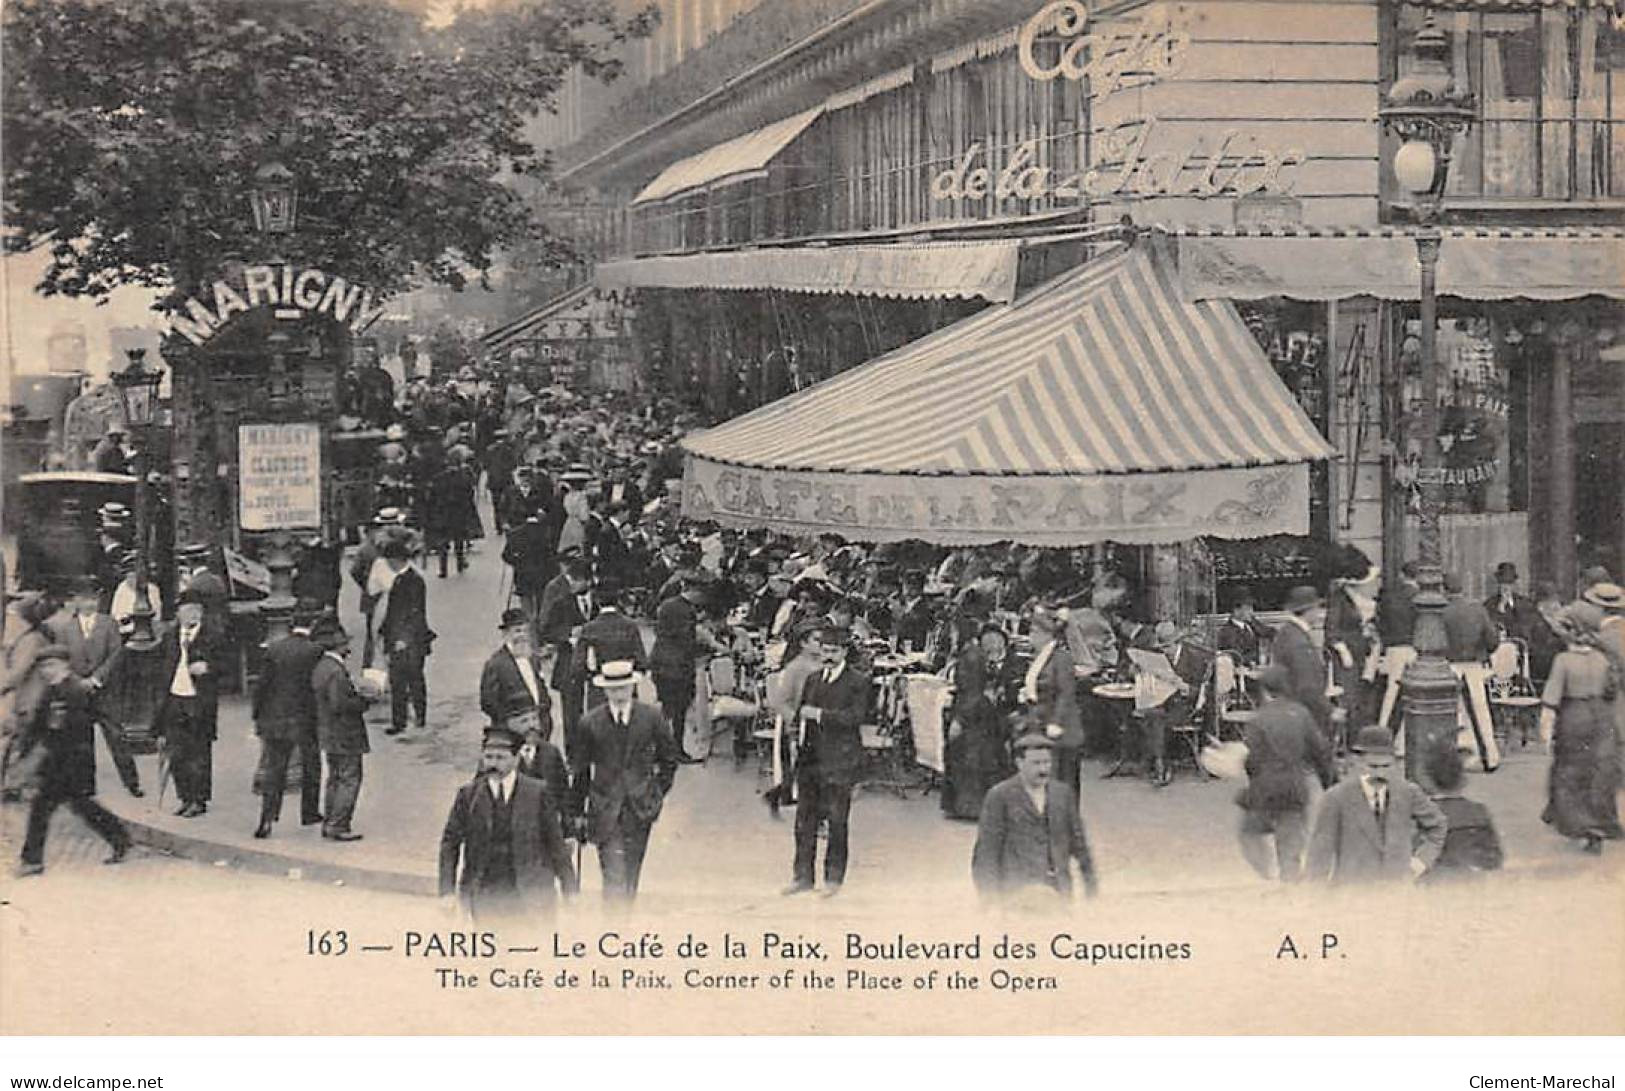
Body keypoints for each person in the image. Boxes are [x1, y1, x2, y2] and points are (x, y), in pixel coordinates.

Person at [438, 724, 578, 921]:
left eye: (500, 758)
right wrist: (446, 891)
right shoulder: (469, 796)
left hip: (531, 893)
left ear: (516, 758)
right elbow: (450, 843)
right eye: (488, 757)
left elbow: (555, 842)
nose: (493, 764)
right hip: (486, 893)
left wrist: (569, 888)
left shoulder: (537, 792)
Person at [569, 660, 680, 901]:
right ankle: (615, 929)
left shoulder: (651, 717)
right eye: (613, 688)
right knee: (614, 877)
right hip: (604, 808)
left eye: (624, 687)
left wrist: (656, 792)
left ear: (632, 687)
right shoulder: (590, 722)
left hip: (640, 808)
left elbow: (669, 759)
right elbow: (581, 770)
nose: (619, 693)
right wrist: (577, 812)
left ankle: (624, 926)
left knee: (631, 874)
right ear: (605, 690)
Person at [14, 646, 130, 876]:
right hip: (58, 762)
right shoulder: (52, 690)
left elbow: (79, 728)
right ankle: (120, 839)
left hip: (71, 762)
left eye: (50, 665)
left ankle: (32, 861)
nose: (45, 671)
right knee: (80, 806)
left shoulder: (75, 690)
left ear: (63, 665)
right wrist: (25, 750)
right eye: (43, 666)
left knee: (47, 808)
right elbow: (39, 725)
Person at [783, 626, 870, 898]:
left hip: (840, 761)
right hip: (812, 760)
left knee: (836, 821)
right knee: (804, 821)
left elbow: (855, 718)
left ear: (844, 652)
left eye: (834, 651)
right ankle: (802, 878)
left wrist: (819, 714)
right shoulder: (813, 679)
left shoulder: (858, 681)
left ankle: (833, 879)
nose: (828, 656)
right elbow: (802, 715)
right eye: (825, 650)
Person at [1304, 725, 1447, 885]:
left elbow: (1438, 825)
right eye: (1372, 767)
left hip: (1398, 893)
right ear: (1357, 762)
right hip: (1352, 894)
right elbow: (1319, 853)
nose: (1380, 774)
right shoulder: (1336, 797)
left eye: (1386, 766)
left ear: (1395, 762)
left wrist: (1420, 862)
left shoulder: (1408, 792)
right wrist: (1315, 896)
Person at [971, 732, 1097, 903]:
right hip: (1016, 894)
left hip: (1059, 892)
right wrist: (989, 900)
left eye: (1047, 762)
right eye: (1036, 763)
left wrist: (1091, 889)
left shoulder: (1062, 794)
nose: (1043, 769)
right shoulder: (1000, 796)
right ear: (1019, 763)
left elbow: (1079, 843)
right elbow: (986, 852)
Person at [1236, 665, 1334, 882]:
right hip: (1294, 784)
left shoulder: (1258, 719)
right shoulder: (1301, 713)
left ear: (1263, 691)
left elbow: (1253, 760)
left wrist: (1251, 785)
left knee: (1250, 833)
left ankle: (1268, 875)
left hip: (1265, 787)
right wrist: (1327, 780)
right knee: (1290, 838)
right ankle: (1290, 883)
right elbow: (1320, 751)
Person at [1538, 602, 1622, 855]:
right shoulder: (1603, 660)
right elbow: (1612, 692)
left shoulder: (1563, 661)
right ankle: (1599, 823)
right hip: (1602, 717)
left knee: (1570, 770)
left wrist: (1545, 731)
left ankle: (1578, 824)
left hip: (1573, 717)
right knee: (1597, 771)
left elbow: (1551, 701)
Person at [48, 580, 139, 796]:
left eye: (94, 599)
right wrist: (77, 681)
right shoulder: (65, 629)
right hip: (78, 692)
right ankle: (86, 785)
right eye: (85, 599)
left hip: (104, 691)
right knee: (81, 739)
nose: (90, 604)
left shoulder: (109, 624)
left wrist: (96, 679)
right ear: (76, 602)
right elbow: (60, 659)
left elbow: (116, 655)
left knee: (116, 737)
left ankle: (132, 783)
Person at [251, 607, 324, 838]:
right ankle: (309, 812)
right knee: (311, 765)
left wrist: (258, 715)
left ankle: (267, 819)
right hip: (304, 718)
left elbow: (262, 686)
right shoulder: (315, 651)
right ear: (312, 625)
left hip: (275, 718)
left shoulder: (275, 648)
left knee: (275, 770)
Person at [152, 590, 223, 818]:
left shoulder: (212, 636)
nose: (192, 615)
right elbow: (160, 664)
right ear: (179, 613)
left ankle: (199, 799)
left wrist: (209, 668)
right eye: (187, 610)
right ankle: (184, 796)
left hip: (198, 701)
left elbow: (226, 666)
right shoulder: (171, 636)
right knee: (177, 751)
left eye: (196, 611)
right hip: (174, 699)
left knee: (199, 751)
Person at [311, 618, 369, 842]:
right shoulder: (335, 671)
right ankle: (339, 824)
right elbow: (340, 704)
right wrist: (362, 700)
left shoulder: (321, 667)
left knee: (334, 777)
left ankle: (330, 821)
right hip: (345, 733)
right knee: (349, 778)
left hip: (328, 732)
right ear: (338, 645)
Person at [1019, 605, 1084, 802]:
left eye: (1034, 632)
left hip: (1062, 727)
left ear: (1047, 635)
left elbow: (1066, 692)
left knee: (1063, 777)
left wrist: (1056, 722)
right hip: (1042, 723)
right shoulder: (1041, 657)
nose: (1031, 636)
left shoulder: (1061, 657)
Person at [649, 574, 716, 763]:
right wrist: (706, 649)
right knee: (678, 710)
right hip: (676, 666)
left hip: (662, 662)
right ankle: (675, 750)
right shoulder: (685, 611)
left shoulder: (669, 605)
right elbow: (686, 640)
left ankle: (660, 749)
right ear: (695, 592)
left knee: (668, 708)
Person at [1137, 620, 1213, 788]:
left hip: (1186, 706)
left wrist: (1184, 687)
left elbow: (1202, 691)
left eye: (1167, 647)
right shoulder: (1160, 658)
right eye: (1161, 648)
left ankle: (1160, 765)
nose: (1164, 651)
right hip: (1164, 702)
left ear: (1177, 643)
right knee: (1149, 713)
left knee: (1156, 717)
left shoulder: (1194, 658)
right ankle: (1158, 761)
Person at [1441, 572, 1501, 773]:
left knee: (1452, 714)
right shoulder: (1477, 609)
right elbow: (1492, 640)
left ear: (1444, 589)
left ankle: (1455, 759)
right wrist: (1482, 653)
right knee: (1480, 711)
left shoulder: (1442, 611)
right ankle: (1490, 757)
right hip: (1474, 665)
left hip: (1449, 665)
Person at [537, 556, 594, 757]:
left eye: (575, 582)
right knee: (571, 714)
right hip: (569, 664)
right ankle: (573, 756)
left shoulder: (601, 600)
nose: (570, 586)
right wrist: (568, 635)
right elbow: (545, 630)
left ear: (587, 581)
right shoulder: (562, 603)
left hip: (596, 665)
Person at [1420, 746, 1503, 882]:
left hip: (1434, 885)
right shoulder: (1478, 811)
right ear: (1463, 781)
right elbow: (1494, 859)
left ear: (1428, 781)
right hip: (1471, 882)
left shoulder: (1421, 815)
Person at [376, 536, 431, 736]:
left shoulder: (413, 581)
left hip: (410, 640)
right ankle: (399, 720)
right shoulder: (402, 579)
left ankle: (419, 716)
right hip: (399, 638)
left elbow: (414, 612)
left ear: (396, 559)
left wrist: (404, 638)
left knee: (413, 678)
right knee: (398, 680)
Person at [573, 582, 649, 712]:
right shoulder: (630, 626)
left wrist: (592, 675)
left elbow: (577, 667)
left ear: (597, 601)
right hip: (626, 687)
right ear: (618, 600)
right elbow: (642, 662)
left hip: (599, 691)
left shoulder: (589, 628)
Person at [479, 608, 552, 737]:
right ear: (506, 634)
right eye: (517, 631)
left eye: (525, 630)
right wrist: (510, 723)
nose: (522, 635)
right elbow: (488, 702)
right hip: (513, 732)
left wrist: (545, 711)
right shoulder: (496, 664)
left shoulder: (532, 658)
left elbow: (541, 689)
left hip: (539, 728)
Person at [1271, 585, 1332, 738]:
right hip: (1304, 714)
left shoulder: (1287, 632)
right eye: (1317, 609)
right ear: (1309, 610)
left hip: (1291, 711)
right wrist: (1329, 710)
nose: (1319, 614)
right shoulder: (1299, 641)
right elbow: (1307, 686)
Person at [1376, 562, 1419, 730]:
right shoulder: (1420, 597)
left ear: (1402, 575)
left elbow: (1381, 622)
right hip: (1414, 648)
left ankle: (1383, 725)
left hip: (1394, 648)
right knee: (1415, 691)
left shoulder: (1389, 597)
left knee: (1391, 690)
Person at [1214, 587, 1273, 667]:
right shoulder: (1227, 632)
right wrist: (1257, 657)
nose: (1251, 612)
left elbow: (1268, 632)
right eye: (1247, 608)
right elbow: (1237, 656)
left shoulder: (1252, 624)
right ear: (1236, 610)